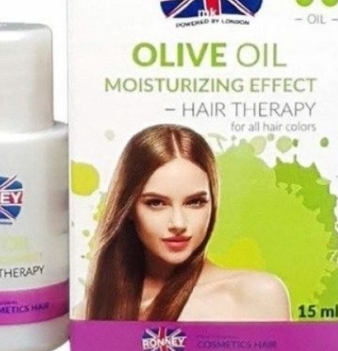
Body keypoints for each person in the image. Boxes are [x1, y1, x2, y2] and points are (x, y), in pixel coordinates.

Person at [80, 124, 290, 322]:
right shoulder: (91, 308)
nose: (178, 223)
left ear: (212, 203)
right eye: (156, 203)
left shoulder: (256, 295)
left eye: (195, 202)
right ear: (129, 209)